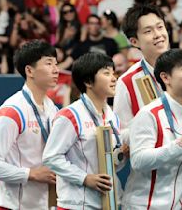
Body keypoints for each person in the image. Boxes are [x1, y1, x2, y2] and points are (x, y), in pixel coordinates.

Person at [114, 3, 182, 209]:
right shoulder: (127, 82)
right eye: (149, 31)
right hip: (154, 180)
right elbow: (120, 134)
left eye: (160, 27)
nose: (158, 35)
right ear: (134, 41)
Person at [0, 40, 59, 209]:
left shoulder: (52, 108)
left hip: (45, 203)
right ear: (29, 70)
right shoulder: (12, 111)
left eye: (56, 63)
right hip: (14, 205)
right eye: (48, 63)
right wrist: (31, 174)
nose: (56, 70)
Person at [43, 52, 127, 209]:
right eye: (106, 73)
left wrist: (121, 156)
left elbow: (109, 162)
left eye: (113, 72)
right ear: (88, 81)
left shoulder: (112, 116)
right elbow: (51, 157)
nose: (114, 78)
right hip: (76, 204)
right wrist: (84, 178)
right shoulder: (70, 116)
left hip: (106, 202)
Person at [122, 49, 182, 209]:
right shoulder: (148, 114)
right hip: (143, 206)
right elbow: (138, 161)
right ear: (165, 77)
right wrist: (178, 146)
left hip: (179, 205)